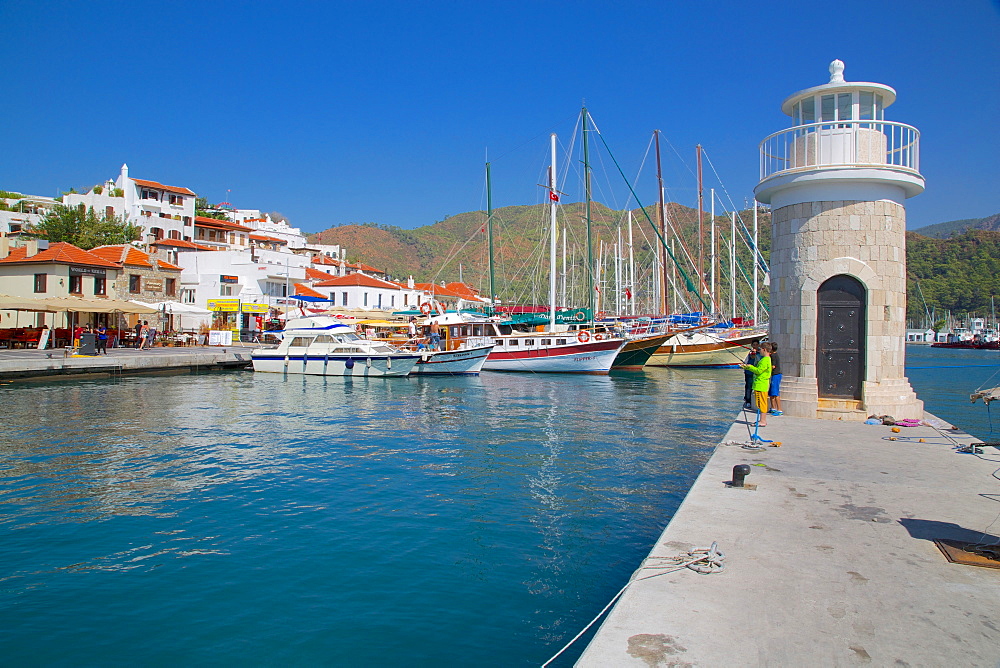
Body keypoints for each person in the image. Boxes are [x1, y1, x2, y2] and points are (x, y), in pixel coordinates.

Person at [741, 344, 772, 427]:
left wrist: (749, 367)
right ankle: (761, 420)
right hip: (760, 384)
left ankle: (763, 421)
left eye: (760, 349)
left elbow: (758, 371)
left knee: (761, 403)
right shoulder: (765, 359)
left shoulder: (765, 360)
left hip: (761, 385)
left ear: (764, 349)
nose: (759, 350)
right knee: (760, 403)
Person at [742, 341, 762, 408]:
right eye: (754, 345)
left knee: (755, 387)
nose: (755, 346)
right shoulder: (749, 352)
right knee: (748, 386)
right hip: (749, 372)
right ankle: (748, 401)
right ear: (751, 345)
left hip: (756, 372)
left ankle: (756, 401)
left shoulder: (760, 352)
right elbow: (746, 361)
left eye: (756, 345)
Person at [768, 342, 783, 416]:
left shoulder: (773, 356)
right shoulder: (773, 355)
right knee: (771, 393)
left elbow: (773, 366)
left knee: (775, 392)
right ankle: (773, 408)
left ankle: (779, 409)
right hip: (775, 375)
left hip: (776, 375)